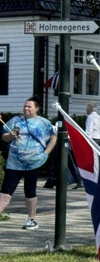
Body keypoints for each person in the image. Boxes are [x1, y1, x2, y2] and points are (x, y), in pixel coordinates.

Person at [0, 97, 57, 229]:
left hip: (34, 162)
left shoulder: (44, 123)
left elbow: (53, 138)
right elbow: (4, 137)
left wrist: (46, 153)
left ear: (37, 108)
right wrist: (10, 136)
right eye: (25, 106)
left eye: (29, 106)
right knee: (5, 191)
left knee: (30, 191)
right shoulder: (15, 120)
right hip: (14, 162)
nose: (26, 108)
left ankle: (31, 219)